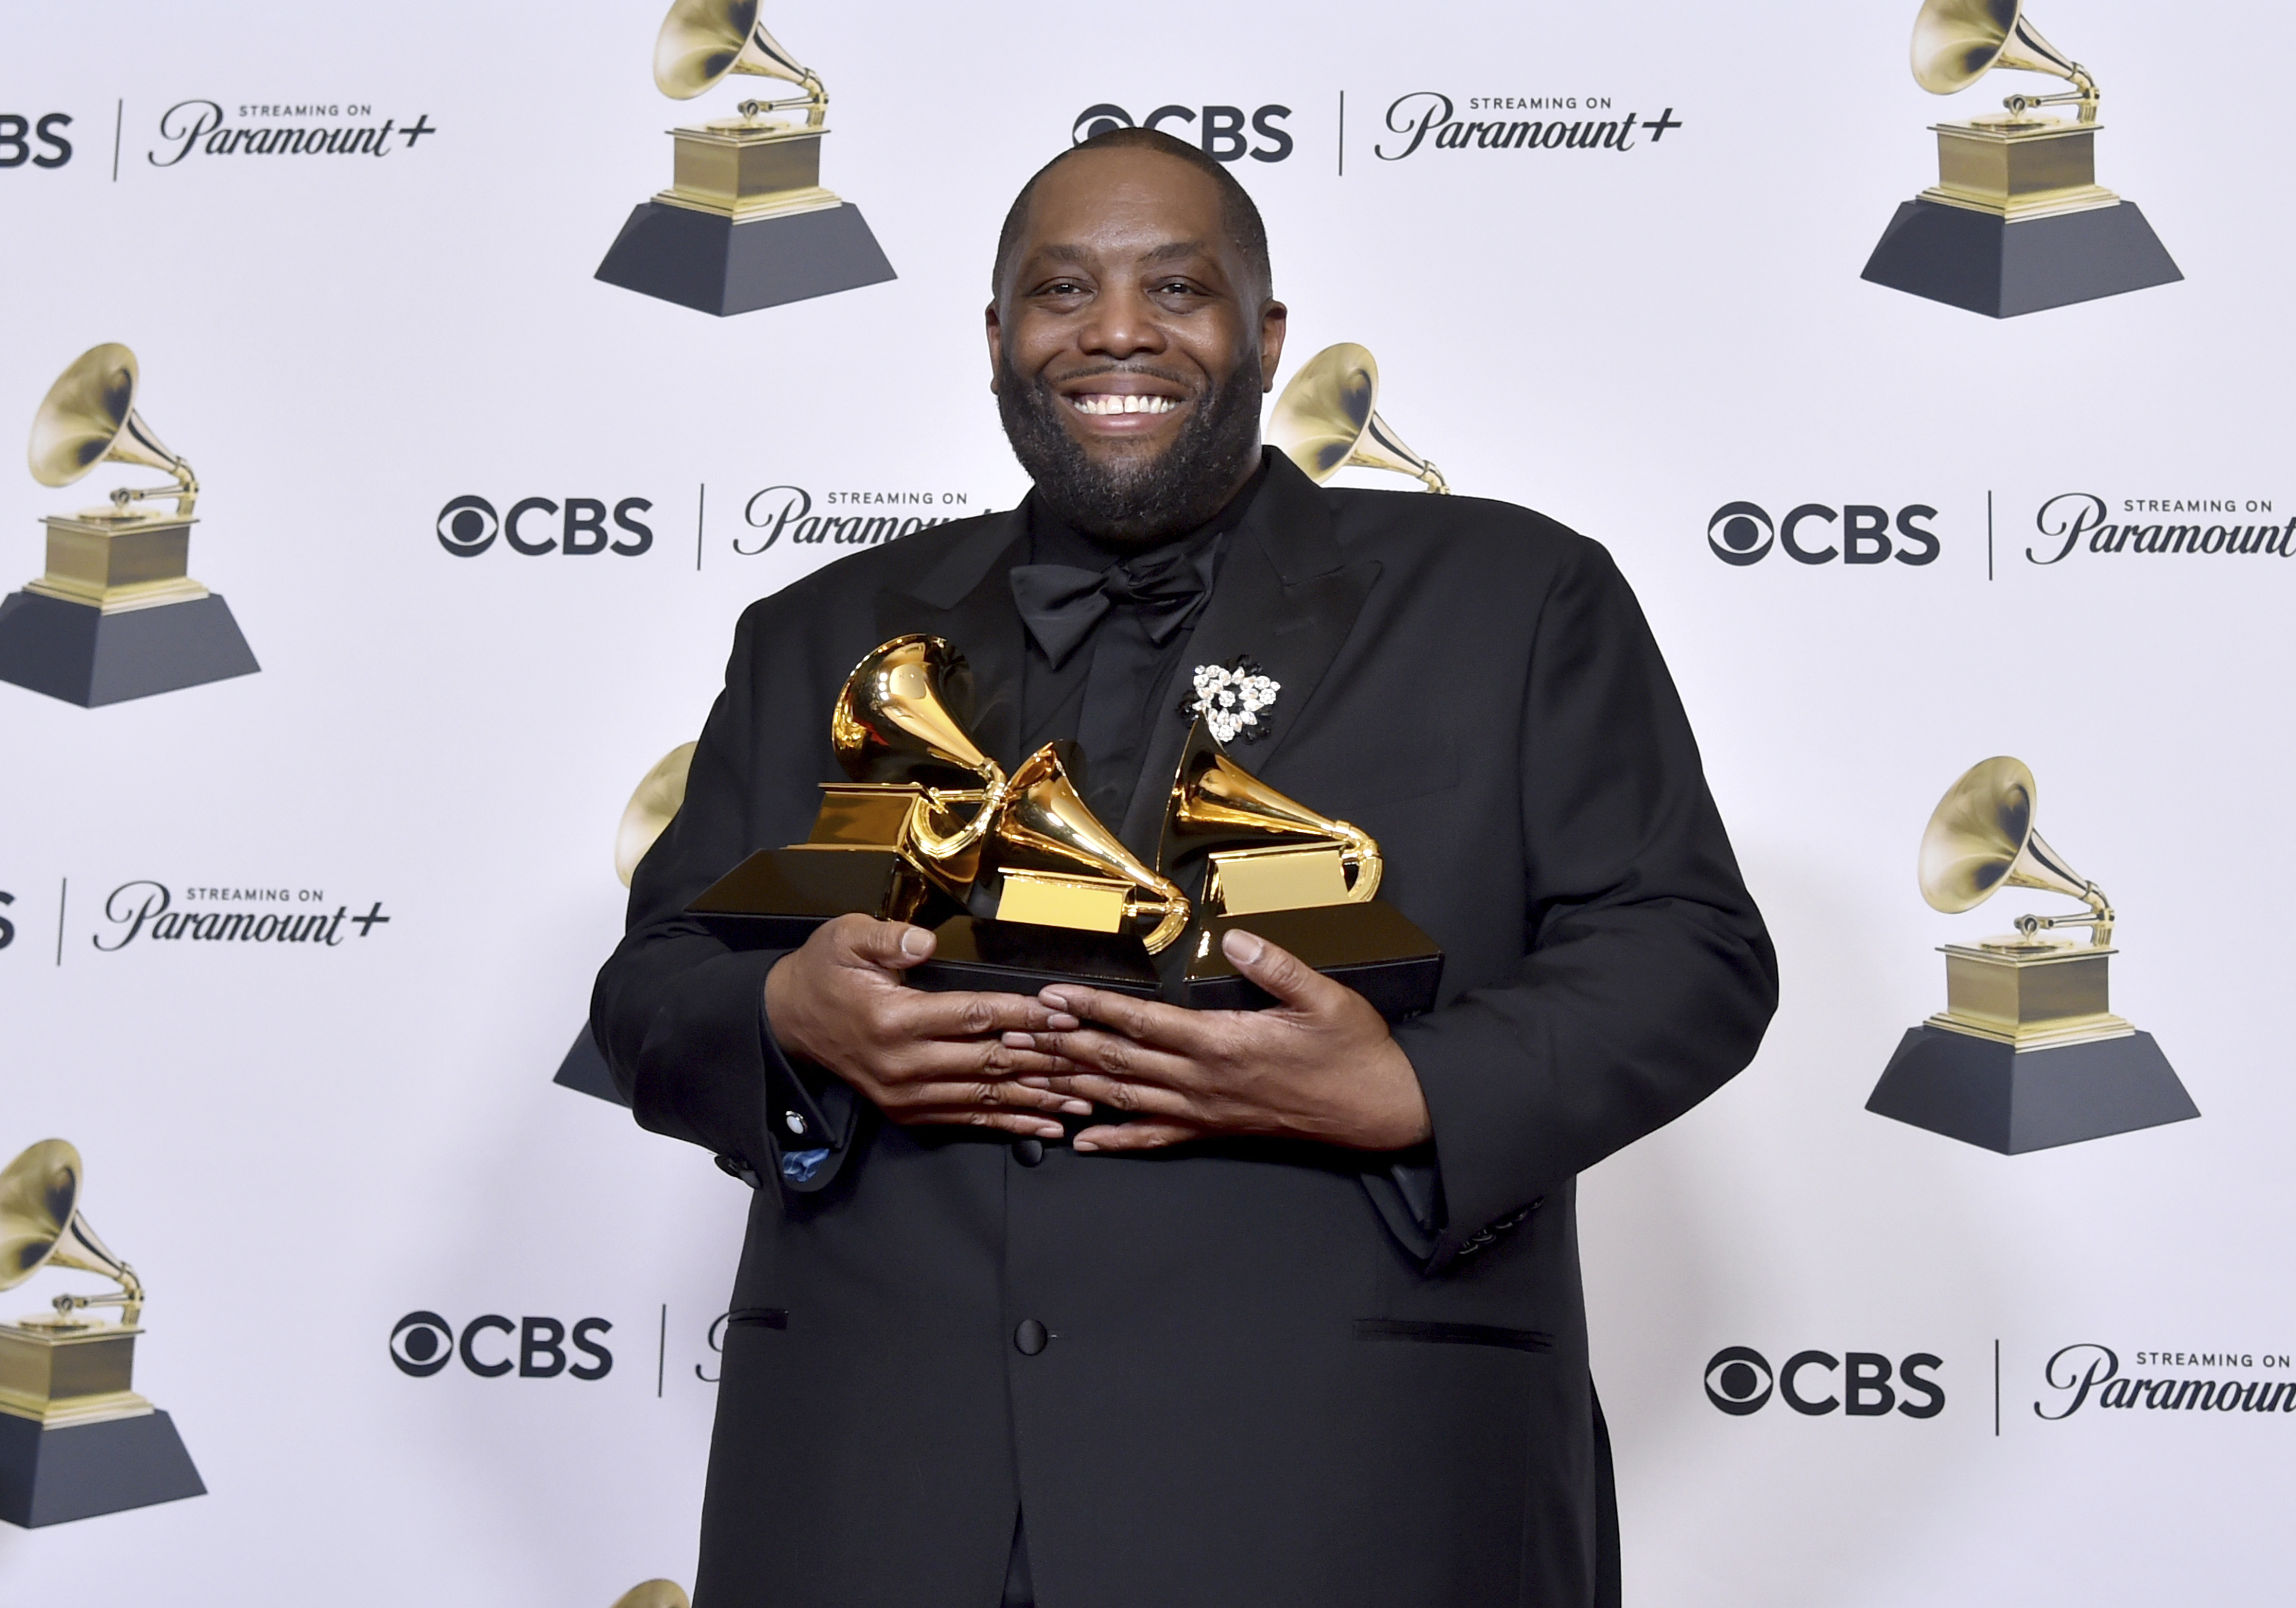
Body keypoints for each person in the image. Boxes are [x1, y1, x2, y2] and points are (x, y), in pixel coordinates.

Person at [592, 126, 1776, 1608]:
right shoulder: (816, 631)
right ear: (999, 339)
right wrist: (788, 1016)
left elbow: (1689, 952)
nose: (1117, 332)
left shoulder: (1517, 596)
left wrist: (1409, 1088)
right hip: (879, 1501)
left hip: (1354, 1496)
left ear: (1266, 334)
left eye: (1178, 287)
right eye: (1062, 289)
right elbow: (651, 994)